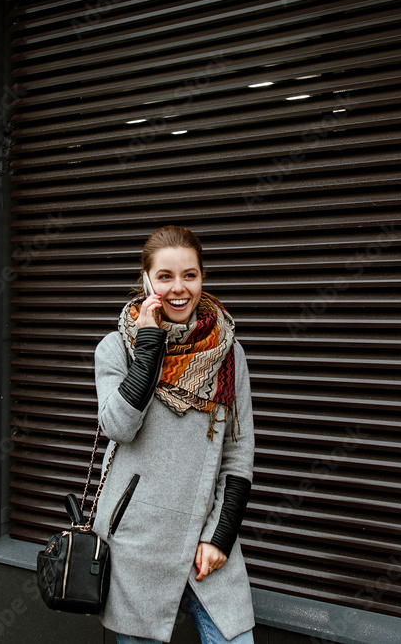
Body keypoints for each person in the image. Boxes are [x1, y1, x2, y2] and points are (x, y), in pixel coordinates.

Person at [91, 225, 256, 643]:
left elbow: (238, 450)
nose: (179, 289)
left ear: (203, 277)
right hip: (137, 544)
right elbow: (118, 426)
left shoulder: (227, 351)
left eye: (190, 275)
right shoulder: (117, 348)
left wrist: (220, 537)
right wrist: (150, 345)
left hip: (206, 540)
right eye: (165, 276)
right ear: (147, 281)